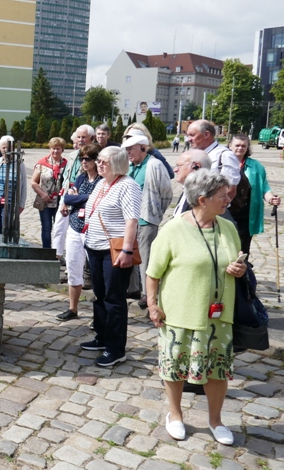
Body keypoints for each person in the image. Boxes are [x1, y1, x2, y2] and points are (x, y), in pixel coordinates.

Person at [146, 169, 246, 446]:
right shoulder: (174, 230)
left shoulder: (227, 227)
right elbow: (153, 274)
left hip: (218, 314)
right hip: (179, 314)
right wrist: (153, 306)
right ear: (202, 200)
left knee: (217, 370)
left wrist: (238, 269)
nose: (228, 200)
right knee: (175, 368)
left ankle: (216, 420)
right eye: (222, 196)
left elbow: (235, 262)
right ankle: (175, 414)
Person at [81, 146, 141, 367]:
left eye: (105, 161)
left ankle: (116, 348)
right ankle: (102, 336)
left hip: (113, 250)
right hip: (94, 247)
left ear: (117, 163)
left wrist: (126, 250)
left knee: (114, 298)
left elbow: (131, 220)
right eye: (99, 160)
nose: (99, 164)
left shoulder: (127, 186)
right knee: (99, 294)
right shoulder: (101, 184)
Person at [122, 130, 173, 309]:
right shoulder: (129, 166)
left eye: (131, 149)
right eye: (126, 149)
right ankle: (132, 288)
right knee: (129, 254)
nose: (128, 152)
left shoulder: (155, 165)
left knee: (145, 258)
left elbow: (167, 193)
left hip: (146, 219)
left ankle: (147, 293)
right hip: (129, 219)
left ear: (143, 148)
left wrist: (156, 213)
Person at [57, 142, 101, 321]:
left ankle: (99, 315)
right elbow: (67, 197)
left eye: (88, 159)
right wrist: (85, 198)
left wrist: (79, 198)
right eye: (82, 158)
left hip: (94, 230)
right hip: (75, 227)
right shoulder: (81, 178)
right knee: (73, 267)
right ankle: (73, 308)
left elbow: (99, 200)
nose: (84, 161)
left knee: (97, 273)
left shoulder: (102, 180)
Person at [228, 133, 281, 256]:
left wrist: (271, 199)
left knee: (243, 249)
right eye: (237, 145)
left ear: (247, 148)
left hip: (246, 216)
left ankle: (242, 274)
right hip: (224, 213)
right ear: (230, 146)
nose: (240, 148)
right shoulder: (222, 163)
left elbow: (264, 188)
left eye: (243, 146)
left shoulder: (256, 166)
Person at [53, 126, 94, 261]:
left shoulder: (94, 155)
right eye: (79, 137)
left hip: (81, 198)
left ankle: (79, 262)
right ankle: (57, 256)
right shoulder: (72, 155)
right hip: (68, 194)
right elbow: (66, 177)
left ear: (91, 138)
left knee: (77, 231)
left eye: (84, 137)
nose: (81, 140)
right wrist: (65, 199)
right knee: (59, 226)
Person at [186, 120, 240, 196]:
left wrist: (209, 206)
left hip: (211, 206)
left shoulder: (225, 155)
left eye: (192, 135)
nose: (188, 139)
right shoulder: (196, 154)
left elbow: (230, 190)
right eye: (187, 135)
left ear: (206, 134)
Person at [31, 137, 67, 249]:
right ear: (49, 149)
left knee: (60, 228)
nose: (55, 151)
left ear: (62, 150)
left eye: (58, 149)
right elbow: (33, 182)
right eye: (53, 148)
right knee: (46, 227)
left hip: (60, 202)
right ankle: (46, 251)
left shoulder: (67, 165)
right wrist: (42, 194)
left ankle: (58, 253)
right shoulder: (41, 164)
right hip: (45, 201)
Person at [0, 135, 26, 235]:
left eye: (9, 148)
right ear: (0, 149)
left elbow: (23, 185)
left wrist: (21, 203)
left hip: (11, 201)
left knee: (7, 227)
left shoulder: (19, 164)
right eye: (3, 148)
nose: (6, 150)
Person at [172, 150, 211, 217]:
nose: (175, 170)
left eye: (179, 166)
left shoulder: (205, 196)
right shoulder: (189, 188)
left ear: (196, 166)